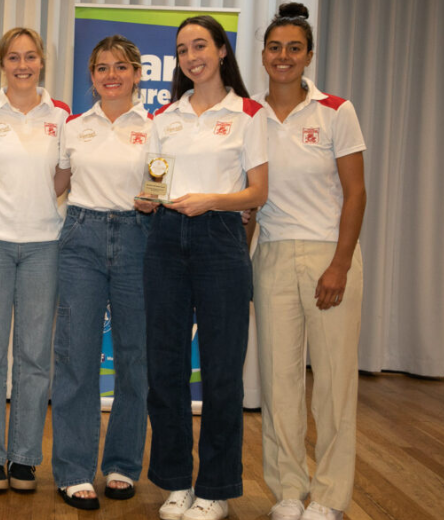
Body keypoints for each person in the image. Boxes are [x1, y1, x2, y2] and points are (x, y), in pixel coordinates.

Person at [137, 15, 268, 520]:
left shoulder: (248, 114)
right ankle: (175, 482)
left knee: (221, 371)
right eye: (182, 50)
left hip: (220, 238)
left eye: (200, 46)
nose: (191, 57)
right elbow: (154, 184)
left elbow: (258, 192)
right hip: (165, 239)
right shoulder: (164, 117)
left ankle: (215, 487)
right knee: (165, 366)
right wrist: (147, 201)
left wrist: (211, 200)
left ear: (221, 50)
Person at [249, 4, 366, 520]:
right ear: (263, 55)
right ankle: (289, 492)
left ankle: (330, 497)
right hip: (272, 254)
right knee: (279, 383)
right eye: (275, 48)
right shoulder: (248, 115)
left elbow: (356, 193)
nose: (284, 56)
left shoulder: (336, 111)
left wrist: (339, 264)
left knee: (334, 385)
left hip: (329, 255)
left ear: (309, 56)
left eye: (294, 48)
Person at [0, 27, 70, 493]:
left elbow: (63, 176)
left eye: (30, 57)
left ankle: (25, 458)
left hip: (44, 244)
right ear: (1, 63)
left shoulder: (62, 115)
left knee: (34, 357)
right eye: (14, 57)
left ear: (42, 61)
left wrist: (36, 203)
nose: (23, 65)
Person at [51, 35, 151, 511]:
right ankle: (73, 471)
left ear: (137, 74)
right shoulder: (74, 127)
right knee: (75, 357)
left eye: (121, 67)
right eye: (102, 68)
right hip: (81, 238)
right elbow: (56, 183)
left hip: (139, 237)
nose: (112, 75)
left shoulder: (156, 127)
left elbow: (167, 182)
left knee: (135, 359)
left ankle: (122, 466)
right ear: (91, 76)